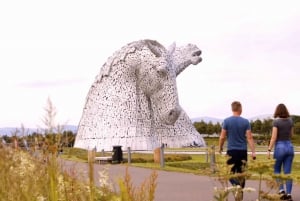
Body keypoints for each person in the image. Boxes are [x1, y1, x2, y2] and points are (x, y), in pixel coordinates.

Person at [218, 101, 256, 193]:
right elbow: (249, 137)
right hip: (242, 151)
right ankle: (239, 191)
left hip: (231, 151)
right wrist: (253, 151)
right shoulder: (246, 122)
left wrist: (220, 147)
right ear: (240, 109)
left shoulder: (226, 121)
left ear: (232, 109)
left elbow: (222, 137)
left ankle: (236, 186)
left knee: (229, 173)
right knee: (241, 174)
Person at [267, 103, 294, 201]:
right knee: (288, 172)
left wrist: (269, 149)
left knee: (277, 170)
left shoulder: (276, 122)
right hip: (290, 147)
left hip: (280, 147)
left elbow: (274, 137)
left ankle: (281, 191)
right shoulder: (291, 121)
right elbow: (291, 134)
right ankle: (289, 194)